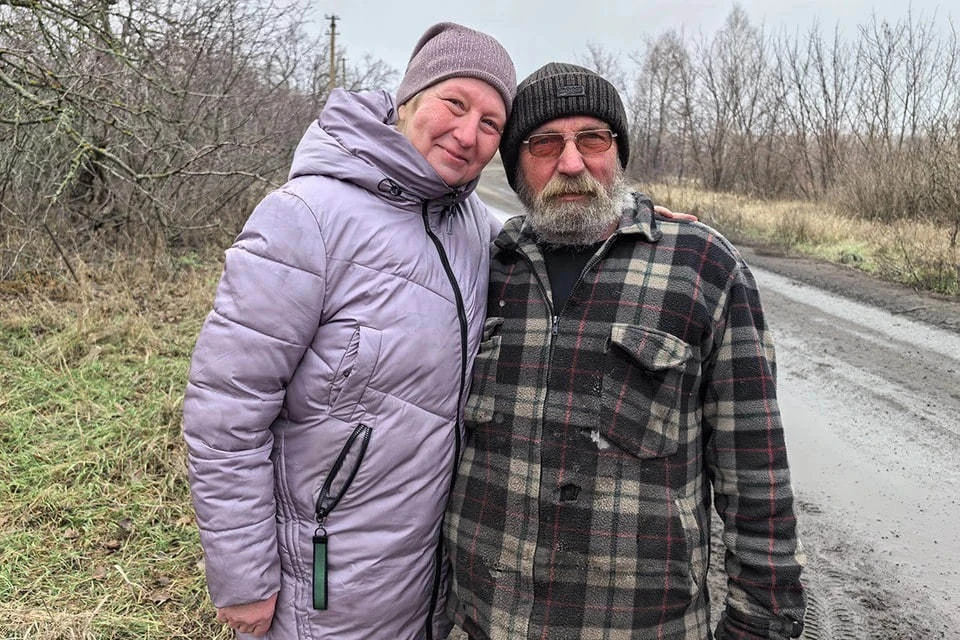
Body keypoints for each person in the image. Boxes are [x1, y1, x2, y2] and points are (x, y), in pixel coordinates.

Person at [444, 63, 806, 640]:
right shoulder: (486, 267)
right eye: (544, 145)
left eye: (592, 139)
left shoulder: (701, 267)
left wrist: (762, 621)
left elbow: (755, 471)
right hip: (484, 622)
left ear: (618, 152)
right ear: (515, 169)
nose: (571, 163)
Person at [182, 22, 517, 639]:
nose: (468, 134)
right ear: (409, 98)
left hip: (429, 582)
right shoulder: (307, 217)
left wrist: (638, 221)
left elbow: (564, 243)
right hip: (323, 583)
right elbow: (225, 409)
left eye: (491, 123)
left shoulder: (476, 229)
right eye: (455, 103)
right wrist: (243, 576)